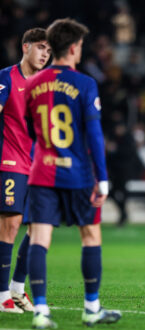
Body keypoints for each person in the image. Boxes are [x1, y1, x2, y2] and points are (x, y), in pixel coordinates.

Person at [25, 18, 121, 329]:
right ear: (74, 47)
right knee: (90, 236)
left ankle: (40, 310)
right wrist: (102, 178)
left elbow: (30, 130)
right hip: (78, 174)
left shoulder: (33, 84)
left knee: (40, 239)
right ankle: (91, 307)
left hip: (41, 174)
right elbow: (94, 136)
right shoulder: (85, 83)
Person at [0, 28, 51, 314]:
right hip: (11, 162)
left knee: (39, 228)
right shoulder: (6, 78)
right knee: (11, 225)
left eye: (49, 50)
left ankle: (18, 288)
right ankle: (1, 294)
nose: (45, 54)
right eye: (41, 47)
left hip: (40, 168)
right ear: (25, 47)